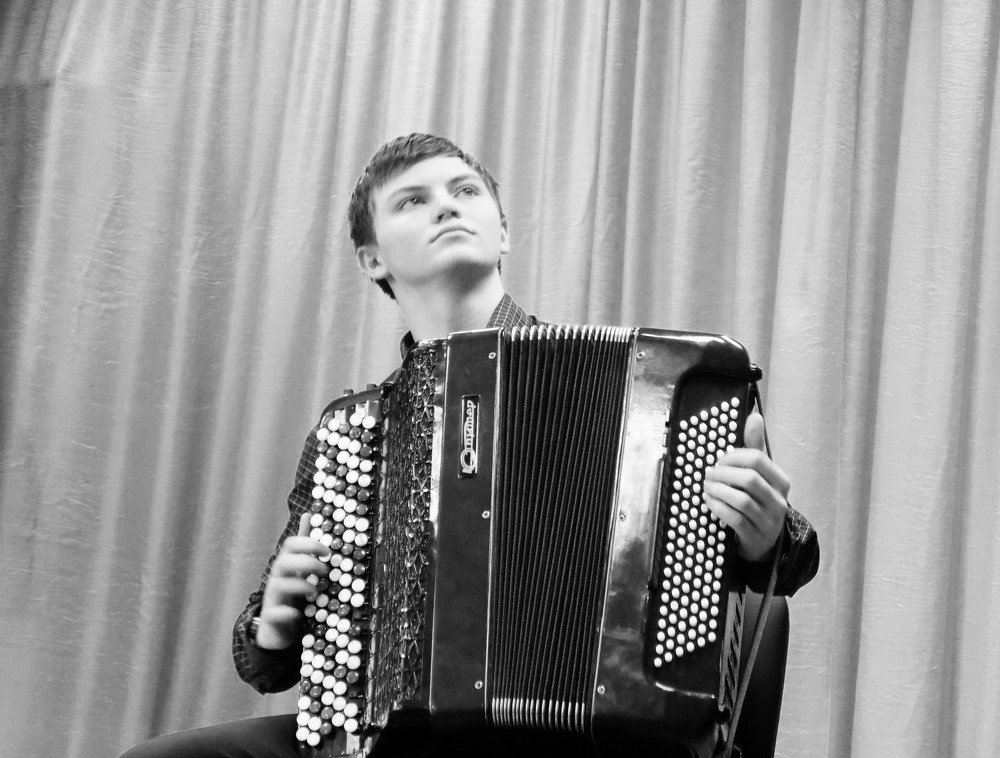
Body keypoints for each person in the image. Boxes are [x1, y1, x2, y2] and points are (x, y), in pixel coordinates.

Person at [121, 133, 819, 758]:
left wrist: (765, 535)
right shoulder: (355, 432)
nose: (446, 207)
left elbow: (793, 557)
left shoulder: (647, 390)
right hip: (394, 739)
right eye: (412, 201)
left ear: (503, 232)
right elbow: (265, 661)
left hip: (590, 740)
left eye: (465, 191)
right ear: (371, 259)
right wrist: (272, 624)